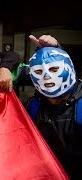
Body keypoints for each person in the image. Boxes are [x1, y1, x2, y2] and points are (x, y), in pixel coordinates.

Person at [24, 47, 82, 179]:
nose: (46, 76)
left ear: (68, 67)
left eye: (54, 69)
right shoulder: (33, 106)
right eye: (38, 71)